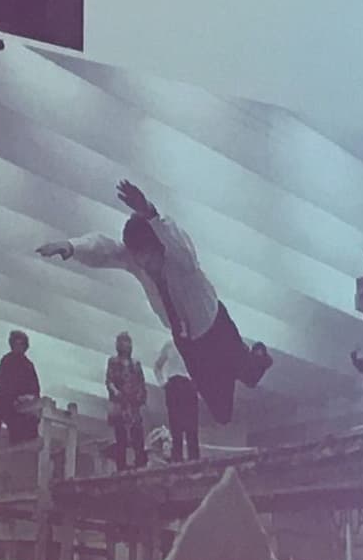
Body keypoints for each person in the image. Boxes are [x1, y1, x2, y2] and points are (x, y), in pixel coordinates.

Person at [38, 182, 272, 451]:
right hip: (190, 345)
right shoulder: (136, 261)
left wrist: (150, 212)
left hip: (217, 328)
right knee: (222, 413)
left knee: (251, 376)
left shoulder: (180, 259)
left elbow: (180, 242)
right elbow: (105, 248)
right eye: (140, 259)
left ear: (159, 247)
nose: (147, 266)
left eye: (150, 257)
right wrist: (71, 246)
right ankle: (241, 364)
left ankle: (254, 357)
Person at [0, 332, 41, 447]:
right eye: (16, 344)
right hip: (5, 401)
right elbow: (0, 381)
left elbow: (35, 388)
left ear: (25, 346)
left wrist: (26, 398)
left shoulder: (28, 365)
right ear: (12, 345)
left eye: (21, 344)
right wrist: (13, 396)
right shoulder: (7, 360)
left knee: (25, 425)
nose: (19, 347)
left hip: (22, 405)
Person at [102, 334, 148, 471]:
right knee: (120, 435)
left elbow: (141, 382)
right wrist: (116, 393)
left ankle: (140, 463)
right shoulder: (113, 362)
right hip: (119, 403)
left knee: (137, 434)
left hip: (134, 404)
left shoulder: (136, 364)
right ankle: (121, 466)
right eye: (122, 342)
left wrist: (140, 397)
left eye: (128, 342)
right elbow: (109, 380)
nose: (125, 345)